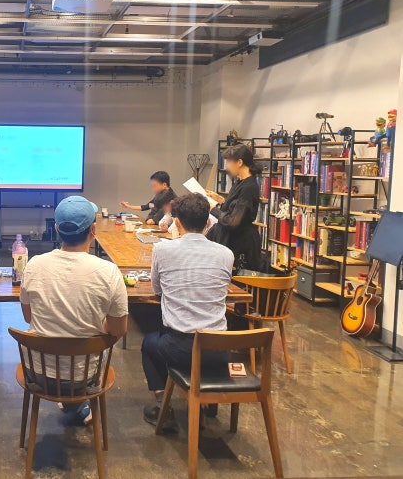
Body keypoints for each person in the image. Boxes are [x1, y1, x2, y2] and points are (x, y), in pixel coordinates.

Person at [20, 196, 128, 425]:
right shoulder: (108, 272)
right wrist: (98, 324)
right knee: (98, 346)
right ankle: (78, 404)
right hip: (83, 378)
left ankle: (73, 405)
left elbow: (29, 317)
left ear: (56, 229)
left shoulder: (34, 265)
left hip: (38, 373)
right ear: (93, 230)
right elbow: (118, 330)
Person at [141, 193, 234, 430]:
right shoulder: (226, 254)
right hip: (220, 349)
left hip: (181, 348)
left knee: (149, 343)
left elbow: (157, 290)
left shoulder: (162, 250)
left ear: (177, 222)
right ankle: (207, 405)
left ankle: (163, 408)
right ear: (208, 222)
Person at [205, 144, 263, 271]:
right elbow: (234, 207)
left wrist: (212, 209)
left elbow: (233, 221)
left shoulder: (249, 187)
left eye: (229, 162)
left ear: (240, 162)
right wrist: (221, 200)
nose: (227, 166)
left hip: (241, 243)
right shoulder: (240, 182)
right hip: (232, 238)